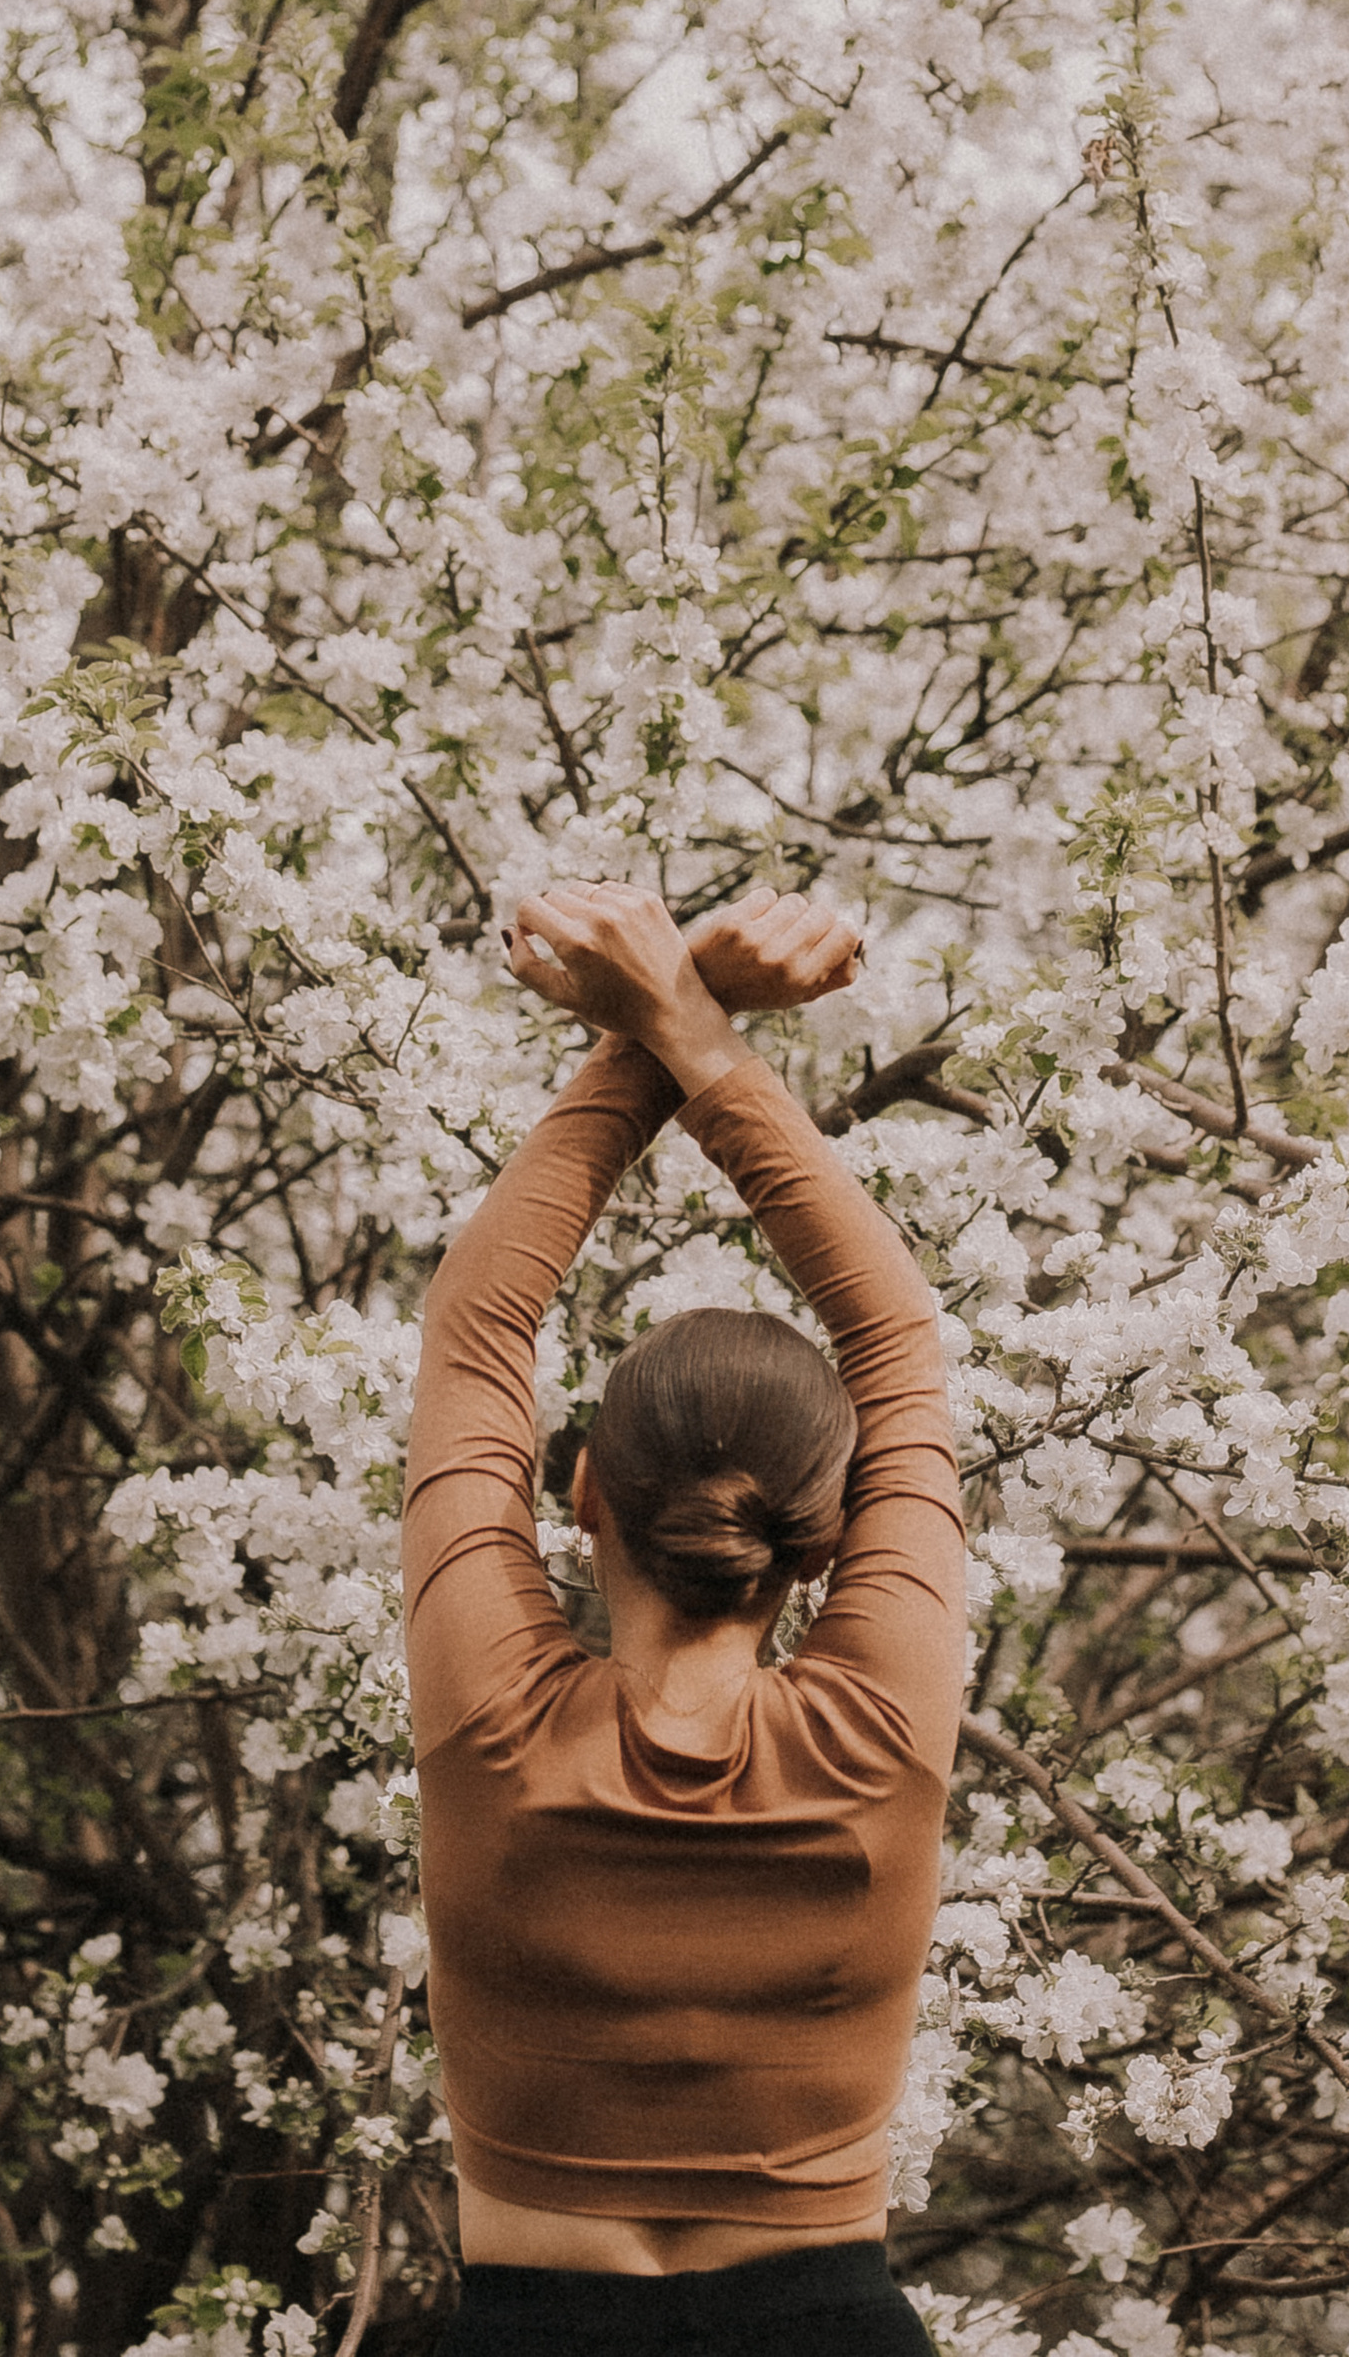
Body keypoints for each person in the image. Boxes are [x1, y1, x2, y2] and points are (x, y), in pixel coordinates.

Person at [402, 880, 967, 2355]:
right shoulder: (882, 1728)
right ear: (828, 1530)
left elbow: (476, 1331)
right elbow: (898, 1341)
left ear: (582, 1490)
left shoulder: (494, 1719)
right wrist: (692, 1030)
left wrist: (650, 1028)